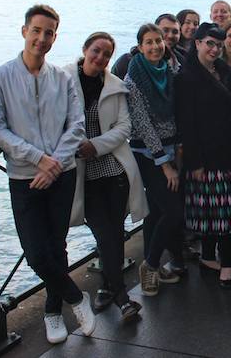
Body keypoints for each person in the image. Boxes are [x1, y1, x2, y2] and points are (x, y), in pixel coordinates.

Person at [0, 5, 96, 344]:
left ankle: (51, 312)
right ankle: (78, 298)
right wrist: (38, 159)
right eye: (36, 30)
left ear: (55, 37)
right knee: (36, 253)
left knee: (55, 247)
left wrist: (55, 163)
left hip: (61, 175)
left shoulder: (63, 78)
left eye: (49, 33)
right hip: (24, 177)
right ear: (24, 31)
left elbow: (77, 124)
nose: (42, 38)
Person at [66, 32, 147, 322]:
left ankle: (108, 289)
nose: (99, 58)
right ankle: (121, 296)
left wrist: (95, 144)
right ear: (85, 49)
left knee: (112, 233)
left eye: (106, 54)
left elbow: (125, 127)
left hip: (113, 171)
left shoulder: (115, 86)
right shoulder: (63, 80)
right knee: (106, 233)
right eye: (96, 51)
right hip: (81, 175)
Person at [175, 23, 231, 289]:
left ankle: (211, 257)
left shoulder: (225, 70)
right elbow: (187, 123)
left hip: (229, 152)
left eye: (218, 44)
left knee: (224, 210)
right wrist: (194, 162)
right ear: (196, 43)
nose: (214, 49)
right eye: (209, 43)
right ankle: (224, 263)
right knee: (217, 212)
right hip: (205, 156)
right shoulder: (186, 78)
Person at [125, 23, 183, 297]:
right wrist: (166, 164)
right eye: (148, 42)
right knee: (174, 210)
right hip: (148, 154)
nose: (155, 46)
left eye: (158, 41)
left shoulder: (170, 70)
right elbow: (143, 125)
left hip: (171, 148)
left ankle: (154, 263)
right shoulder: (133, 79)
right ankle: (149, 265)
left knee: (157, 211)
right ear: (139, 46)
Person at [112, 14, 183, 79]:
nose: (170, 35)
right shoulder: (126, 62)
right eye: (165, 30)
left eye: (175, 32)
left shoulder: (180, 62)